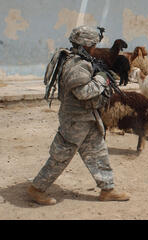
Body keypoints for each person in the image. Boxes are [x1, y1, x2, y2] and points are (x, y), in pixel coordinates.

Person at [27, 26, 129, 205]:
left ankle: (107, 189)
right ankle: (37, 189)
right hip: (75, 121)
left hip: (86, 118)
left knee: (98, 152)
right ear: (87, 44)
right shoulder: (77, 65)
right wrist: (102, 78)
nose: (95, 48)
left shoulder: (78, 60)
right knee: (61, 156)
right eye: (94, 44)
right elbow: (83, 92)